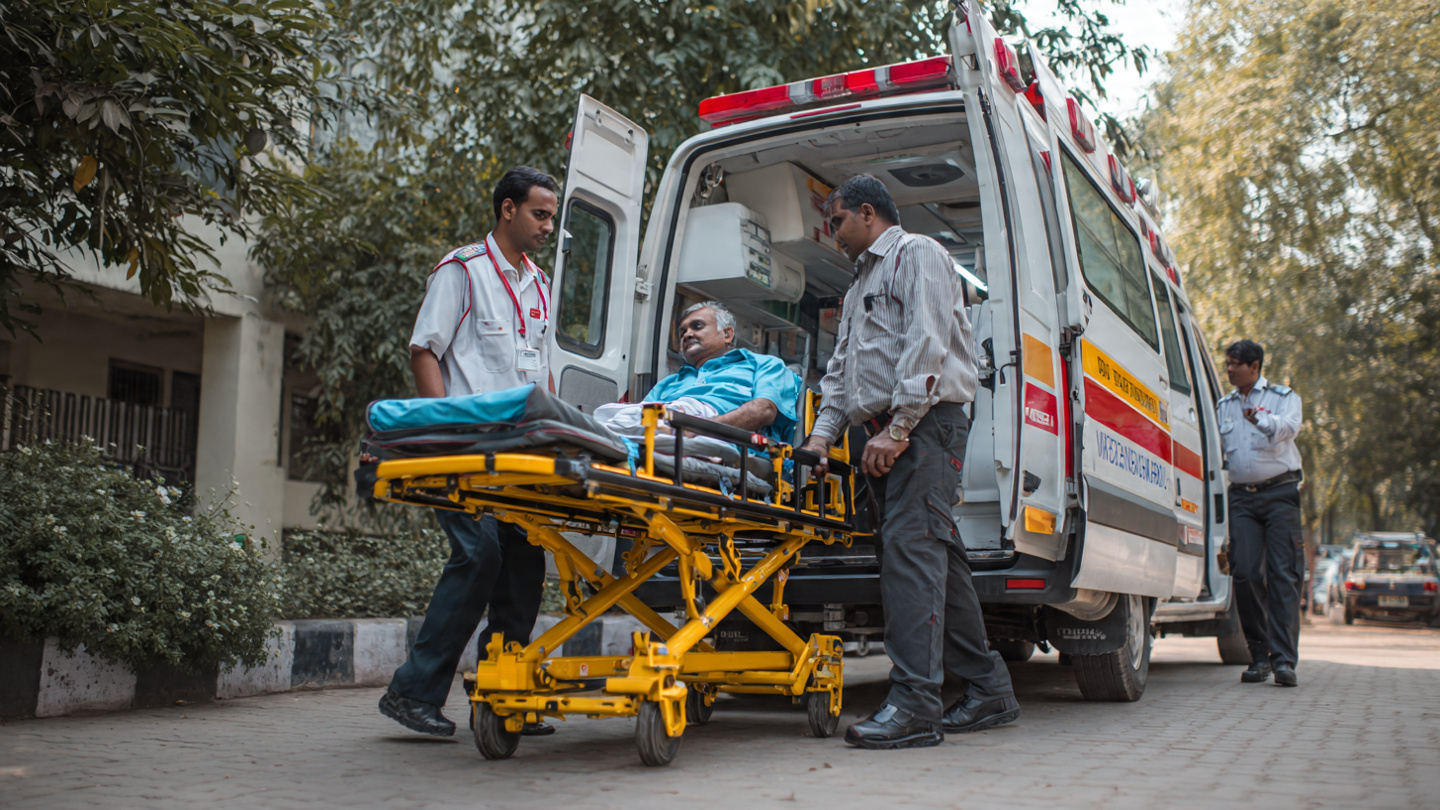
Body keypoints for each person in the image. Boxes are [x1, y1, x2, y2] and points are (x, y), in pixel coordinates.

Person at [798, 174, 1017, 750]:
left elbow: (928, 341)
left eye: (838, 220)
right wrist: (821, 439)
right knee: (937, 557)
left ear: (868, 213)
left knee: (909, 558)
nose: (833, 232)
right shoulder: (856, 288)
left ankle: (917, 704)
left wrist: (897, 429)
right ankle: (988, 688)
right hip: (886, 436)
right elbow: (842, 373)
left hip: (922, 428)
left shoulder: (918, 253)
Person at [378, 166, 560, 736]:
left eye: (551, 216)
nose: (547, 226)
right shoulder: (462, 271)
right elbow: (424, 351)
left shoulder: (541, 283)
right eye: (539, 214)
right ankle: (412, 693)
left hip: (520, 453)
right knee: (478, 556)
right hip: (466, 451)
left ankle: (501, 695)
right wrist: (445, 428)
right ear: (507, 210)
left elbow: (540, 369)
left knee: (525, 568)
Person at [1218, 339, 1305, 687]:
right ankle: (1259, 656)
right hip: (1241, 499)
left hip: (1281, 494)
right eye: (1227, 363)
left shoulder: (1284, 399)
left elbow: (1288, 428)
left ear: (1255, 368)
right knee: (1244, 574)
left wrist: (1261, 421)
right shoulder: (1222, 405)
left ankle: (1283, 661)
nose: (1229, 369)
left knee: (1283, 576)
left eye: (1235, 364)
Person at [593, 301, 800, 443]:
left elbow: (763, 411)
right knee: (605, 414)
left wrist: (698, 429)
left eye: (697, 326)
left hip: (708, 424)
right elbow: (642, 416)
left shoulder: (762, 365)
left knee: (621, 423)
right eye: (682, 331)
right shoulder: (670, 382)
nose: (687, 334)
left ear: (727, 334)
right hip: (667, 418)